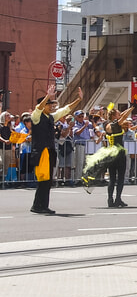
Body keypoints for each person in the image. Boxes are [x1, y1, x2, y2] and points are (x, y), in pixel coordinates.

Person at [28, 85, 83, 214]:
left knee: (48, 180)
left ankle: (42, 205)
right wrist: (48, 95)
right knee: (43, 179)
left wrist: (78, 100)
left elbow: (65, 110)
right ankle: (37, 205)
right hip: (41, 152)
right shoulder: (36, 116)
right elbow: (38, 108)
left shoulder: (51, 117)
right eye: (49, 104)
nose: (51, 106)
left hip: (49, 151)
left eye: (52, 104)